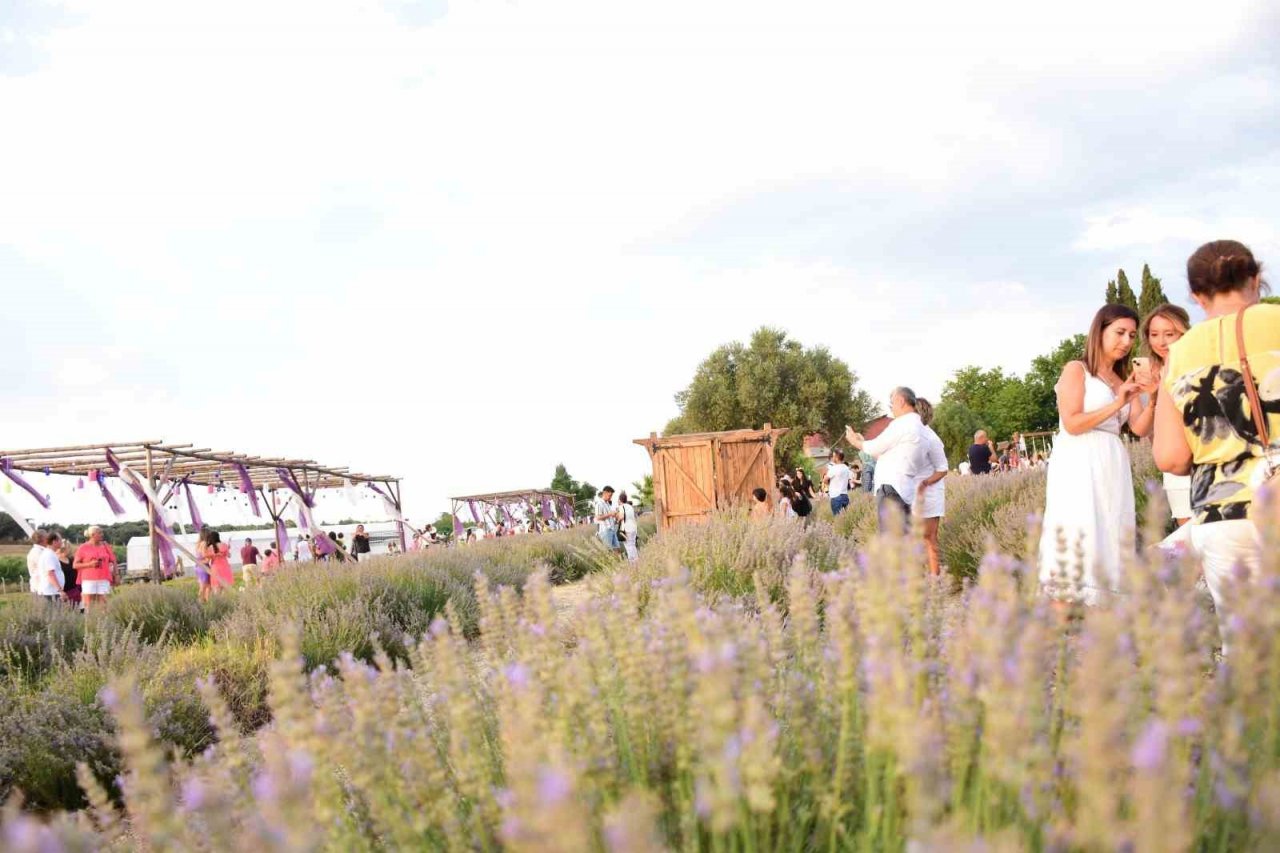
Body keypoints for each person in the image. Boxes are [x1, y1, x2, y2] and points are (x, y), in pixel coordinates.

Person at [1154, 240, 1280, 645]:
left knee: (1249, 658)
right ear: (1256, 279)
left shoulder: (1179, 354)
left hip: (1224, 517)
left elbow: (1170, 457)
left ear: (1195, 295)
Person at [1037, 304, 1149, 604]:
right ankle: (1058, 625)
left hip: (1112, 459)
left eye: (1131, 335)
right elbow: (1072, 422)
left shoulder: (1121, 378)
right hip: (1079, 459)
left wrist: (1155, 397)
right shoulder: (1077, 370)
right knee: (1077, 528)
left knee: (1112, 526)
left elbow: (1138, 427)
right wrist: (1118, 402)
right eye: (1119, 332)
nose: (1126, 342)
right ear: (1099, 331)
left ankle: (1106, 615)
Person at [1138, 303, 1194, 526]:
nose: (1161, 341)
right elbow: (1147, 433)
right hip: (1174, 467)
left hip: (1207, 458)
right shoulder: (1147, 375)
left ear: (1183, 334)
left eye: (1169, 334)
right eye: (1154, 334)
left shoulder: (1198, 368)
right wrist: (1153, 398)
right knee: (1188, 539)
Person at [846, 387, 929, 531]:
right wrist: (863, 443)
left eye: (892, 403)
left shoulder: (902, 424)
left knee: (892, 543)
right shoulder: (917, 426)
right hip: (904, 490)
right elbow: (885, 455)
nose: (891, 409)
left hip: (892, 490)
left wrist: (855, 441)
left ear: (901, 401)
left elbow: (876, 446)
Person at [913, 399, 950, 576]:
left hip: (929, 494)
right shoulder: (910, 436)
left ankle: (935, 580)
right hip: (910, 494)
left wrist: (925, 483)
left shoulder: (931, 438)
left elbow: (943, 469)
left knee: (929, 538)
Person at [74, 525, 117, 611]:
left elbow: (113, 561)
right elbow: (75, 565)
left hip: (104, 578)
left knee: (104, 606)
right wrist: (90, 564)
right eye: (100, 533)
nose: (102, 534)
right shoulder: (83, 547)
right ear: (92, 535)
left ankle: (104, 622)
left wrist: (116, 575)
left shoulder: (105, 545)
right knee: (89, 606)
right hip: (89, 579)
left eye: (102, 532)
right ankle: (89, 623)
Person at [36, 531, 68, 603]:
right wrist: (60, 590)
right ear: (54, 542)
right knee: (54, 613)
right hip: (51, 592)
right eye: (60, 540)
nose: (61, 542)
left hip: (52, 591)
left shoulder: (50, 553)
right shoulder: (49, 555)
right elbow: (50, 574)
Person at [822, 450, 854, 516]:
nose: (832, 458)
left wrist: (828, 483)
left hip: (836, 496)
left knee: (838, 518)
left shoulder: (834, 468)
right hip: (845, 495)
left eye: (833, 456)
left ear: (837, 457)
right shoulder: (846, 468)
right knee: (845, 517)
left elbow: (825, 480)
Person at [593, 486, 619, 550]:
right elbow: (598, 517)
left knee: (617, 549)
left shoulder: (607, 503)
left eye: (611, 495)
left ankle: (619, 560)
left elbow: (608, 516)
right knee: (608, 550)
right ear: (604, 493)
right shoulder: (599, 504)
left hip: (612, 529)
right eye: (610, 495)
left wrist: (613, 515)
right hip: (605, 530)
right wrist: (610, 514)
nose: (611, 497)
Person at [617, 491, 639, 562]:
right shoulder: (630, 506)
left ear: (620, 500)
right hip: (633, 528)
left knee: (628, 546)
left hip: (626, 529)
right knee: (632, 545)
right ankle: (636, 560)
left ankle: (633, 562)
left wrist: (617, 519)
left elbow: (622, 517)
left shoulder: (621, 507)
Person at [26, 529, 48, 595]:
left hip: (42, 587)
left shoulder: (42, 551)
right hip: (40, 588)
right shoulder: (37, 552)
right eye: (47, 537)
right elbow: (46, 568)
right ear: (43, 539)